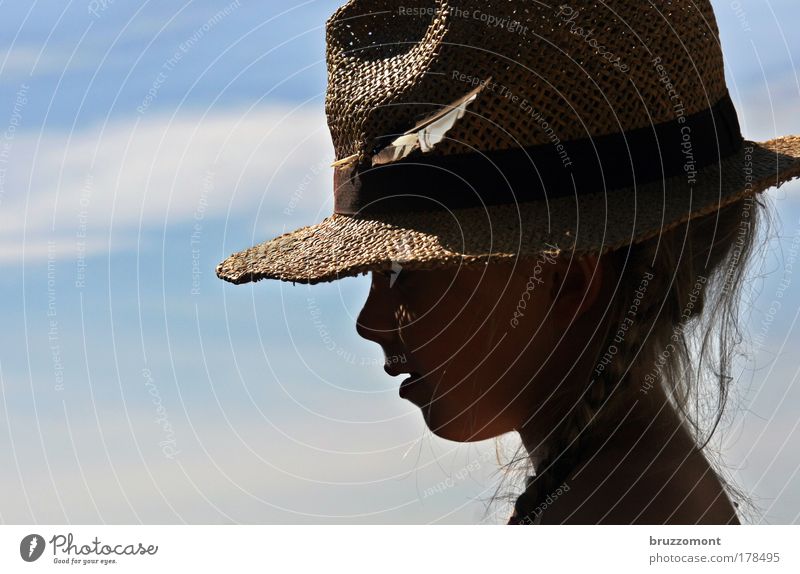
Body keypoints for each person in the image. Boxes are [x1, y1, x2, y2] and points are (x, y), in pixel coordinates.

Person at [216, 0, 800, 524]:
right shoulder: (635, 493)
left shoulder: (604, 517)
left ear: (565, 279)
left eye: (402, 273)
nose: (369, 320)